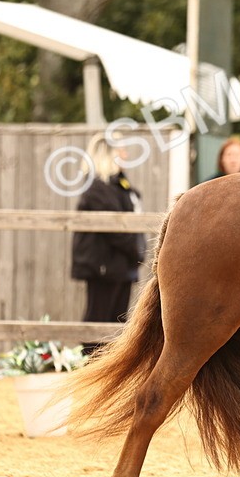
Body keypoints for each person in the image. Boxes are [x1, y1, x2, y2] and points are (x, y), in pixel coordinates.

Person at [71, 134, 146, 355]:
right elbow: (116, 228)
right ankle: (89, 368)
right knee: (98, 320)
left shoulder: (121, 186)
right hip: (104, 266)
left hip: (122, 265)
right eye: (120, 150)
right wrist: (136, 251)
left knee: (116, 324)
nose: (125, 154)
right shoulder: (97, 188)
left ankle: (106, 371)